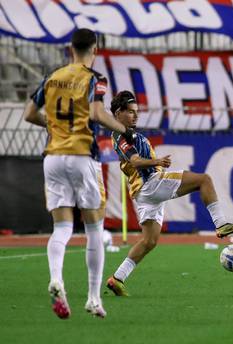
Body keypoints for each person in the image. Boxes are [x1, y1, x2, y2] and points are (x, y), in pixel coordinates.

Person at [23, 28, 135, 318]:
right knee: (94, 229)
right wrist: (126, 131)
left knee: (61, 228)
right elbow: (97, 113)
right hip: (83, 156)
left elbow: (29, 114)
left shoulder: (52, 77)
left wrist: (53, 127)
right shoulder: (95, 79)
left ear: (70, 49)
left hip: (53, 158)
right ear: (94, 50)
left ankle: (57, 279)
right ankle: (93, 298)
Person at [105, 91, 233, 296]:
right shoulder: (120, 135)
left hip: (143, 193)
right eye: (129, 112)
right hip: (150, 183)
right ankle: (221, 224)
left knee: (149, 241)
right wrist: (157, 162)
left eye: (136, 112)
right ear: (118, 113)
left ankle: (117, 278)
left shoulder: (129, 133)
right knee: (204, 180)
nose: (135, 116)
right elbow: (134, 161)